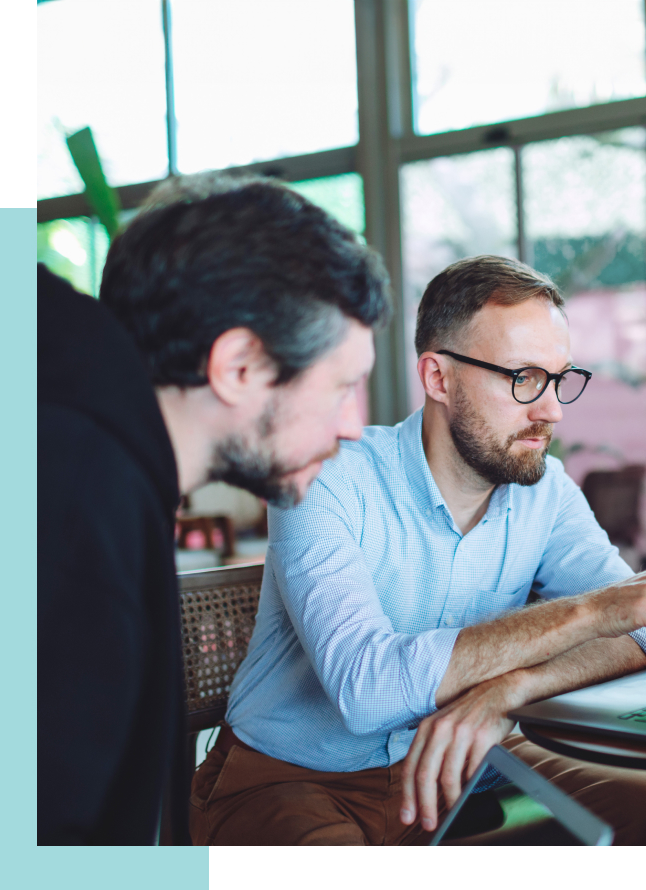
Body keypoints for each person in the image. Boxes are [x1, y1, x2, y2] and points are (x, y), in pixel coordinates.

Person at [191, 255, 646, 846]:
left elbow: (645, 635)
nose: (552, 410)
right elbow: (365, 689)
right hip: (290, 782)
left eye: (560, 379)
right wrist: (591, 611)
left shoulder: (546, 492)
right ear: (438, 378)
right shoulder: (321, 473)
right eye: (523, 378)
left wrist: (508, 691)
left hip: (461, 773)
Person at [37, 173, 392, 845]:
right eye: (343, 387)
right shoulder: (76, 502)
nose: (354, 426)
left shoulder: (89, 457)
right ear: (238, 367)